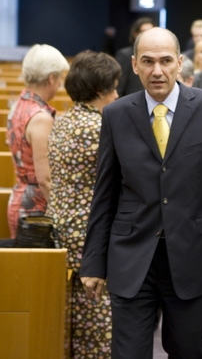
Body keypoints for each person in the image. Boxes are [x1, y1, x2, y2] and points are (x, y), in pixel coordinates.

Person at [80, 27, 202, 358]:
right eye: (148, 62)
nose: (158, 70)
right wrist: (93, 263)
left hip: (192, 256)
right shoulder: (116, 114)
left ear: (180, 63)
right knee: (128, 352)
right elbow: (105, 194)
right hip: (131, 255)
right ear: (135, 66)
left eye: (166, 61)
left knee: (188, 349)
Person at [46, 50, 121, 358]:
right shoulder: (99, 127)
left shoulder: (63, 121)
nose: (118, 94)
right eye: (115, 87)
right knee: (98, 321)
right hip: (90, 234)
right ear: (100, 89)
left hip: (61, 227)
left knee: (71, 318)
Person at [6, 44, 69, 238]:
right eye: (59, 79)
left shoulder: (19, 105)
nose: (59, 85)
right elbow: (45, 180)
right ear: (51, 78)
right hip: (35, 210)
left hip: (21, 199)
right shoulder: (41, 117)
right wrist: (63, 215)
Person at [115, 16, 155, 97]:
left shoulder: (157, 54)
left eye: (151, 31)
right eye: (144, 31)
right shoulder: (124, 55)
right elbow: (118, 87)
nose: (148, 35)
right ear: (135, 34)